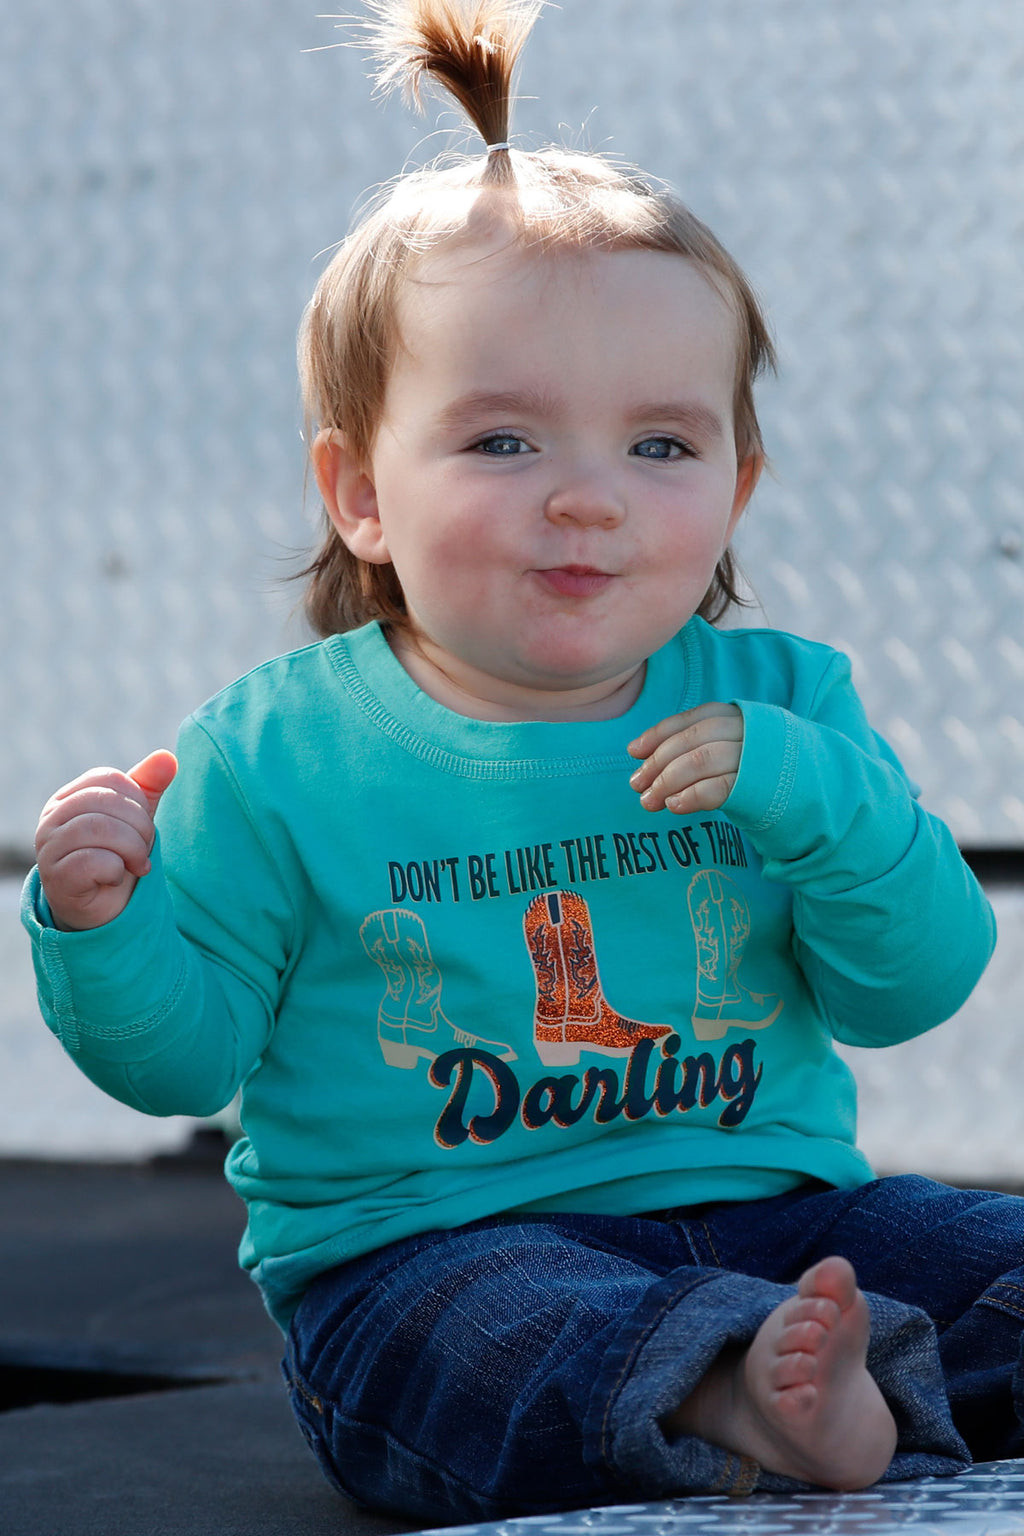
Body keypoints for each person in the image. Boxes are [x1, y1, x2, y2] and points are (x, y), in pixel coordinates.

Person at [22, 0, 1016, 1521]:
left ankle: (793, 1379)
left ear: (737, 486)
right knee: (493, 1337)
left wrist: (817, 802)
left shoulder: (792, 702)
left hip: (788, 1218)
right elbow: (187, 1059)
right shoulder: (278, 751)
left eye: (660, 446)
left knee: (982, 1260)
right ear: (360, 490)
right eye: (503, 443)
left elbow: (917, 984)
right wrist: (101, 925)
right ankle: (736, 1391)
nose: (589, 501)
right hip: (432, 1245)